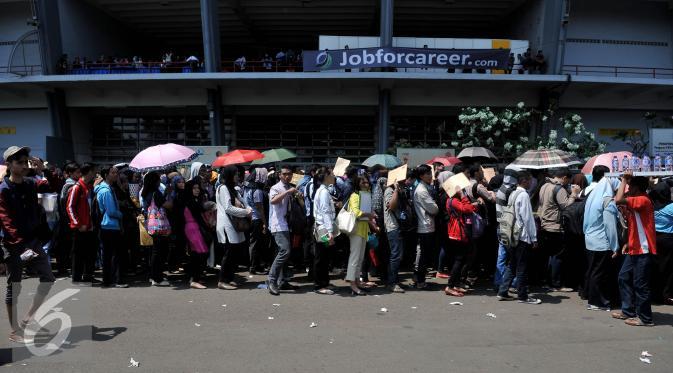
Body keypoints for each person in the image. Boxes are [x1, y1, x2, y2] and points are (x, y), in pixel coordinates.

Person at [0, 146, 55, 343]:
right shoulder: (3, 189)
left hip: (33, 240)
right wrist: (22, 247)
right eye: (20, 163)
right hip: (13, 244)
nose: (24, 166)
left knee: (48, 278)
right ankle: (15, 330)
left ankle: (28, 317)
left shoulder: (31, 183)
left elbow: (52, 186)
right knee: (14, 287)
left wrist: (44, 169)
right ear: (9, 165)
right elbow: (6, 221)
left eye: (26, 162)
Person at [612, 171, 657, 326]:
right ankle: (628, 310)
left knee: (640, 284)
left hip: (643, 249)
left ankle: (645, 318)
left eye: (630, 187)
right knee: (623, 277)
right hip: (635, 248)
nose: (628, 190)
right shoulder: (637, 200)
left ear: (637, 188)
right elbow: (635, 226)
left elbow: (618, 199)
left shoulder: (642, 200)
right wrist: (628, 243)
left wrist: (624, 180)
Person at [497, 170, 541, 304]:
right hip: (521, 235)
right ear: (525, 181)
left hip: (512, 234)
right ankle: (523, 296)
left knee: (512, 264)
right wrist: (534, 238)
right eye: (530, 180)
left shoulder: (513, 193)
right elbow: (527, 218)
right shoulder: (524, 195)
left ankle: (503, 291)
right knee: (521, 267)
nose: (531, 182)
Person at [582, 167, 619, 311]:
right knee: (600, 273)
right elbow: (610, 226)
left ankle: (593, 300)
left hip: (590, 238)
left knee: (593, 271)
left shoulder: (593, 195)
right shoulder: (607, 200)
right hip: (601, 241)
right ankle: (598, 302)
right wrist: (615, 246)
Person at [537, 168, 580, 291]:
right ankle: (556, 284)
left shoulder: (544, 185)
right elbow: (566, 206)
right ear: (564, 177)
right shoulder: (558, 189)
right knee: (557, 256)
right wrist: (573, 194)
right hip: (555, 226)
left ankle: (546, 282)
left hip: (545, 224)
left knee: (549, 255)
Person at [215, 166, 252, 290]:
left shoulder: (233, 189)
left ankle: (229, 278)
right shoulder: (223, 188)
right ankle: (222, 280)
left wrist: (248, 208)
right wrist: (246, 212)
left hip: (234, 225)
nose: (238, 176)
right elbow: (228, 208)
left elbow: (243, 201)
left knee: (234, 253)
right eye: (235, 174)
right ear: (229, 175)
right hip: (227, 225)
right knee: (228, 253)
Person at [267, 166, 299, 295]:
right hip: (277, 225)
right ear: (280, 175)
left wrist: (298, 195)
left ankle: (282, 281)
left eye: (290, 174)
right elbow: (273, 201)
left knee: (283, 253)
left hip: (287, 224)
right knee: (285, 251)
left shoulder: (289, 187)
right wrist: (288, 192)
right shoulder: (276, 188)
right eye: (285, 174)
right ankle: (272, 280)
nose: (288, 176)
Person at [94, 165, 127, 288]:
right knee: (115, 255)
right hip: (110, 226)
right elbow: (111, 211)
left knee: (108, 255)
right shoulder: (106, 190)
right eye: (113, 173)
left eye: (116, 173)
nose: (116, 175)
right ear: (106, 175)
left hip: (107, 226)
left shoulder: (104, 188)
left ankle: (108, 280)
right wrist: (121, 214)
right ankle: (115, 280)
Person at [66, 162, 98, 284]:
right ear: (89, 171)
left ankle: (88, 275)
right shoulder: (77, 187)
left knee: (90, 253)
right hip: (80, 228)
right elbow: (69, 207)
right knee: (78, 254)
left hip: (90, 227)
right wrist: (78, 225)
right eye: (94, 171)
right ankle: (77, 278)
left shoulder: (89, 187)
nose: (95, 174)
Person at [445, 186, 479, 296]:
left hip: (457, 232)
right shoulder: (453, 200)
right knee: (459, 260)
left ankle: (456, 284)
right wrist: (463, 196)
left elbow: (468, 208)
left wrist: (472, 205)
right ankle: (450, 286)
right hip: (458, 232)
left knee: (462, 259)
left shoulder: (452, 200)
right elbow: (467, 209)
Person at [141, 172, 173, 287]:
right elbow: (168, 205)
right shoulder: (156, 193)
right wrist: (169, 195)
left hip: (151, 225)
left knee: (155, 251)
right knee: (159, 252)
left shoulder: (146, 193)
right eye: (158, 179)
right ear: (154, 181)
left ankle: (153, 275)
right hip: (159, 226)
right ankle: (157, 278)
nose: (160, 181)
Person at [346, 176, 376, 296]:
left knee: (360, 258)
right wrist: (370, 214)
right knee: (355, 257)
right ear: (357, 184)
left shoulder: (366, 195)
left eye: (367, 181)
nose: (366, 183)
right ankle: (352, 284)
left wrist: (370, 216)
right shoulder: (355, 196)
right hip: (356, 230)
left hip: (363, 229)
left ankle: (357, 281)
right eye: (363, 182)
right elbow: (356, 212)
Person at [312, 167, 337, 295]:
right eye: (332, 174)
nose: (334, 176)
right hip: (323, 228)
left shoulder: (323, 190)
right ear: (326, 176)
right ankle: (319, 285)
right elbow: (325, 212)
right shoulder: (323, 192)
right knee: (321, 256)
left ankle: (324, 282)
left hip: (322, 227)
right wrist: (330, 231)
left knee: (325, 256)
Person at [413, 165, 438, 289]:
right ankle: (420, 281)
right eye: (427, 174)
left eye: (430, 173)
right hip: (425, 226)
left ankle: (418, 278)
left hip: (426, 225)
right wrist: (435, 205)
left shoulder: (426, 187)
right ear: (421, 176)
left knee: (423, 254)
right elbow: (434, 209)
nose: (430, 176)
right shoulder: (422, 190)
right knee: (424, 255)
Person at [183, 179, 210, 289]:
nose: (197, 190)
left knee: (198, 253)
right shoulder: (190, 201)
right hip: (192, 228)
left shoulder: (194, 200)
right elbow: (200, 213)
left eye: (198, 188)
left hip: (194, 228)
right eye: (194, 188)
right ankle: (194, 279)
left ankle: (195, 277)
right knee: (199, 253)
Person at [650, 179, 673, 305]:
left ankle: (655, 294)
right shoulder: (670, 207)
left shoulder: (651, 205)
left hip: (654, 238)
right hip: (668, 239)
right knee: (668, 269)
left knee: (656, 267)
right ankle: (666, 294)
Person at [245, 168, 270, 275]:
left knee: (253, 242)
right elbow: (260, 208)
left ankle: (254, 265)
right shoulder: (258, 191)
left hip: (250, 218)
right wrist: (265, 222)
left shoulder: (248, 188)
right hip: (257, 219)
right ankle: (254, 266)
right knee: (256, 243)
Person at [384, 176, 407, 293]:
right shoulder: (389, 190)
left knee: (398, 255)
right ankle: (392, 283)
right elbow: (391, 206)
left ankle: (394, 280)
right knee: (396, 255)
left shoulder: (399, 189)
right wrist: (396, 190)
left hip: (399, 226)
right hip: (392, 227)